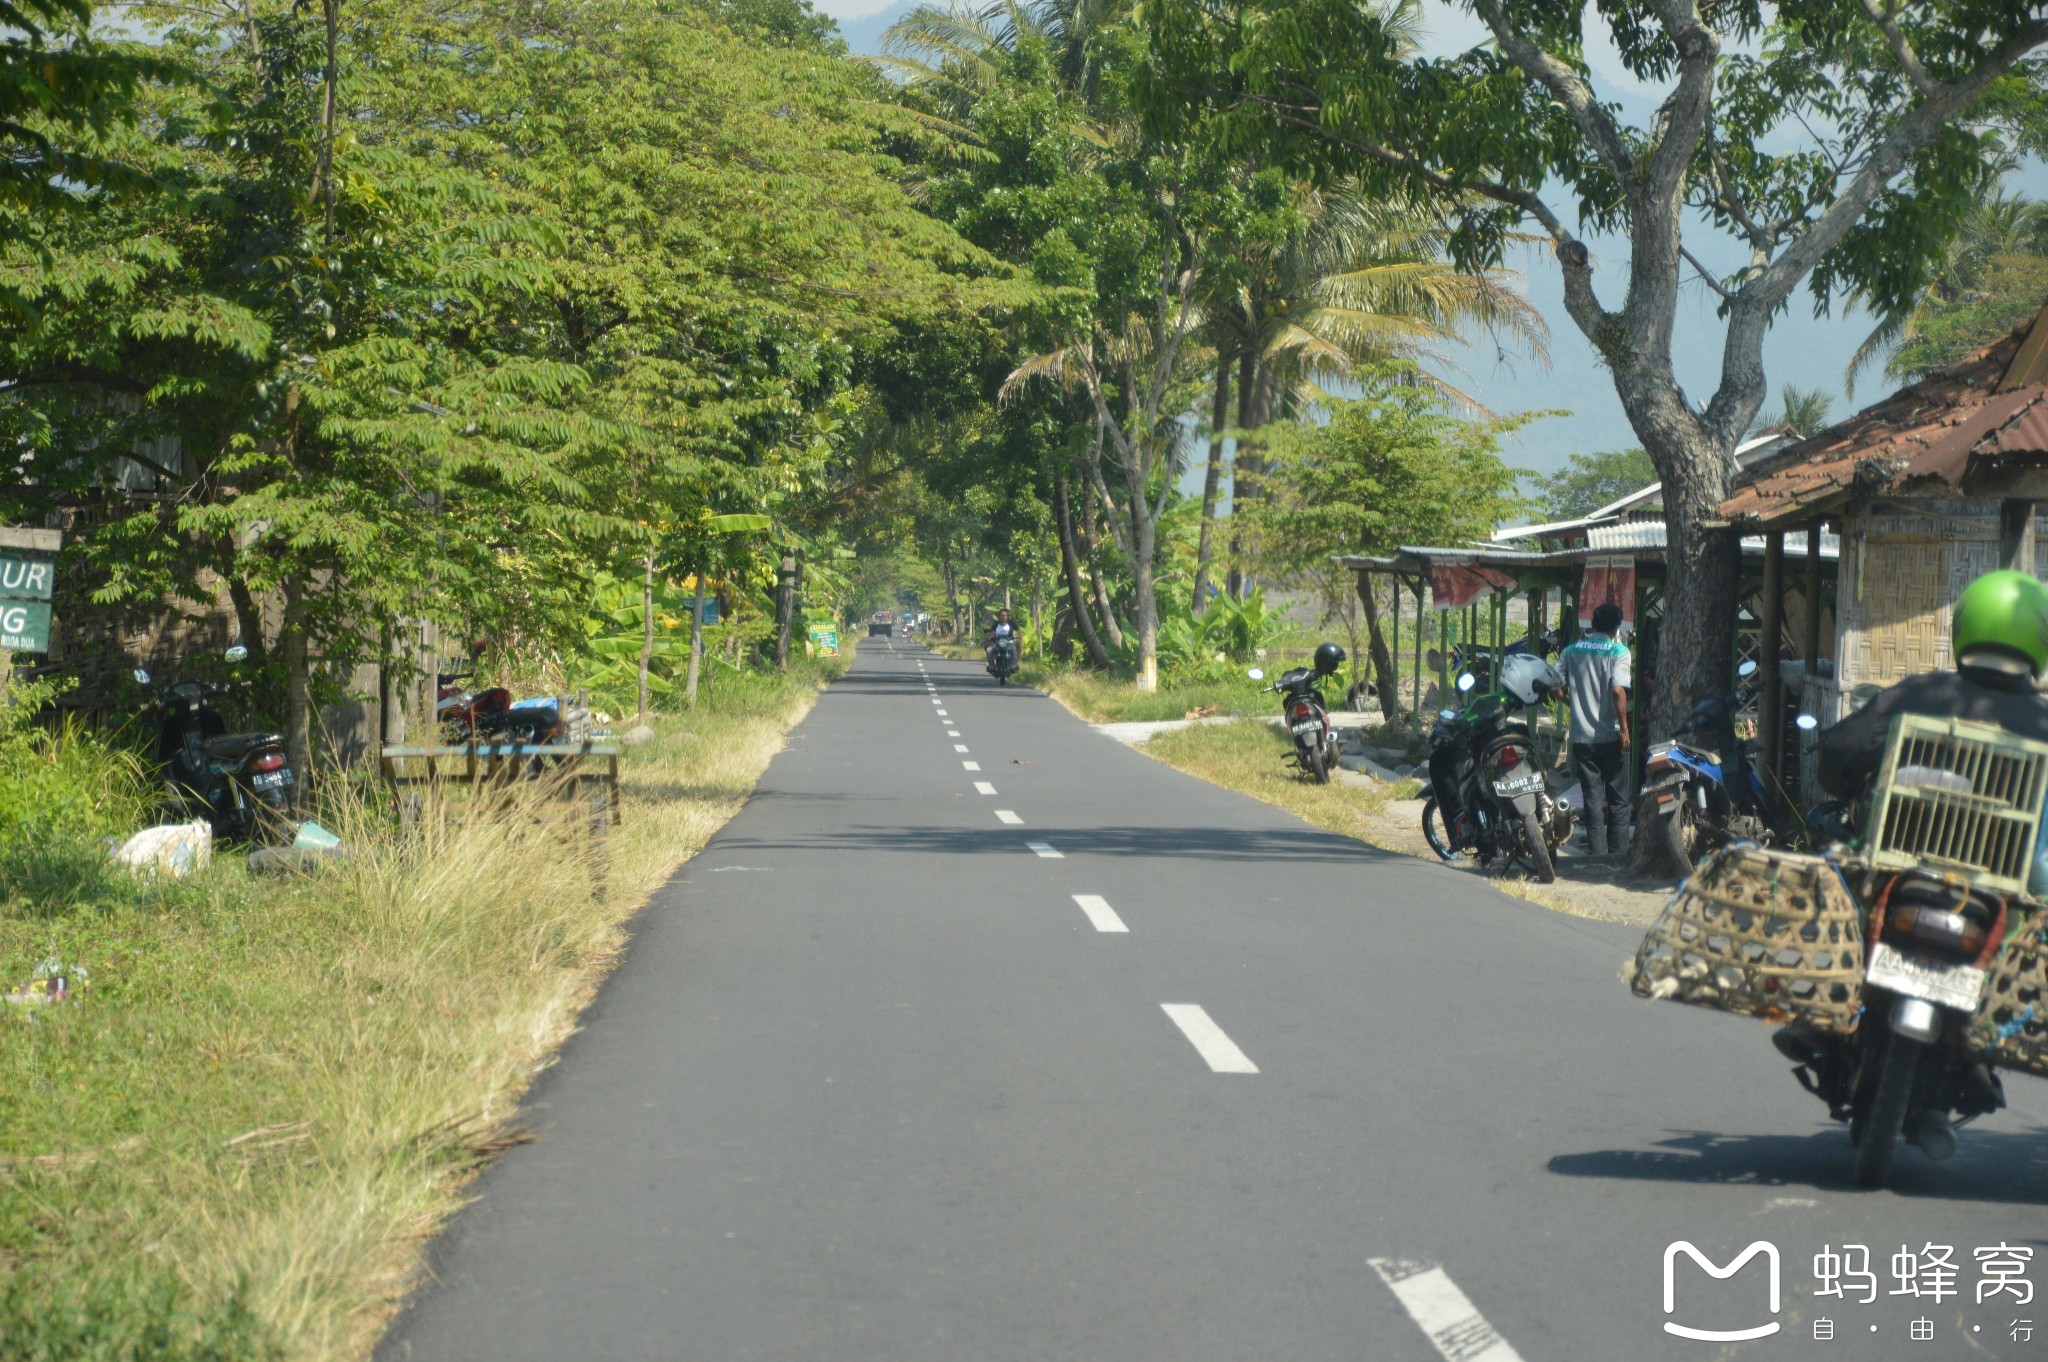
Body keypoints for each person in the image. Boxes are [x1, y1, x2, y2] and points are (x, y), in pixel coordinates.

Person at [1819, 568, 2048, 796]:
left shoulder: (1914, 695)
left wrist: (1857, 797)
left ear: (1962, 624)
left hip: (1901, 831)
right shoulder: (2041, 720)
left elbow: (1836, 753)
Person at [1561, 601, 1633, 859]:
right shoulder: (1619, 651)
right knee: (1619, 799)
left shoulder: (1571, 651)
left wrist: (1570, 702)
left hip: (1582, 737)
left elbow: (1555, 684)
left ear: (1592, 625)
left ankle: (1597, 855)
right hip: (1612, 736)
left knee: (1592, 798)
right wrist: (1624, 729)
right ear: (1616, 627)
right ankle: (1618, 852)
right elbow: (1618, 690)